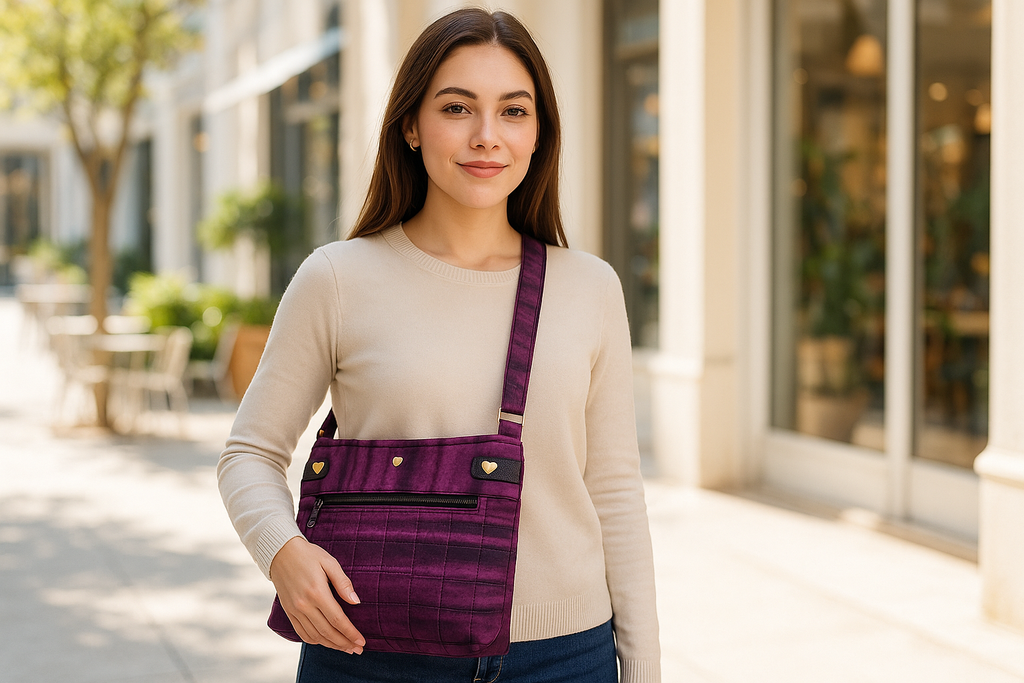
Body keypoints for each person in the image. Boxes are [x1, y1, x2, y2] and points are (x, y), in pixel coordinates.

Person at [218, 7, 661, 682]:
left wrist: (644, 665)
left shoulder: (589, 289)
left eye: (514, 112)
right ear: (411, 125)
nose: (488, 136)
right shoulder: (338, 278)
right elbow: (249, 452)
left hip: (565, 656)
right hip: (373, 653)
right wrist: (284, 553)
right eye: (458, 108)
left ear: (539, 133)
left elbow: (617, 490)